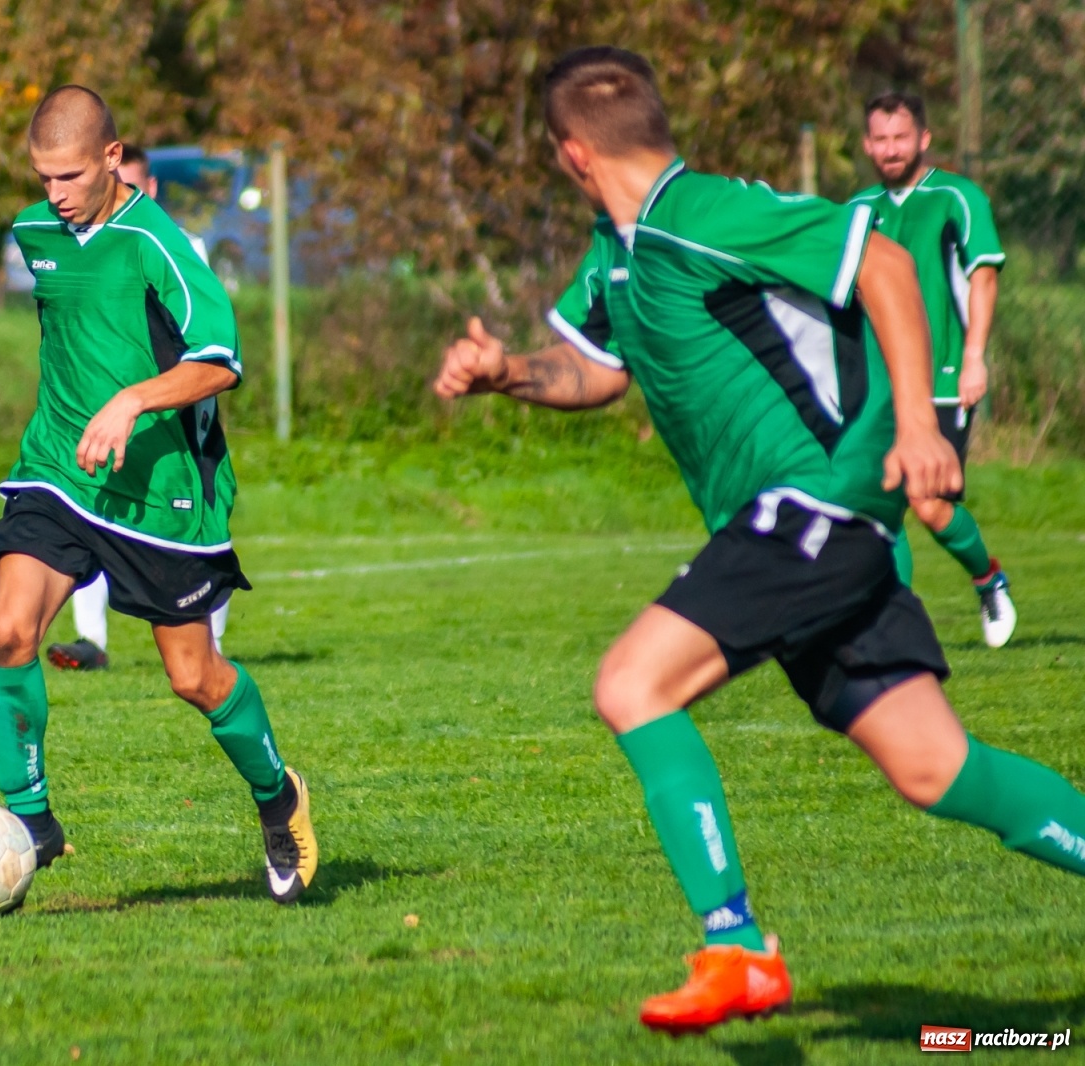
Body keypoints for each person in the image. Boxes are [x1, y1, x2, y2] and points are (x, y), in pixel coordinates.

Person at [433, 46, 1085, 1034]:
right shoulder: (620, 249)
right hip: (812, 532)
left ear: (569, 152)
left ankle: (735, 946)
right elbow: (595, 369)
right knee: (935, 767)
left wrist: (916, 420)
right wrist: (505, 372)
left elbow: (885, 260)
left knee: (630, 684)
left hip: (812, 508)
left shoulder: (701, 213)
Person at [0, 86, 316, 903]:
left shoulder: (158, 244)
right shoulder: (34, 233)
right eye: (39, 176)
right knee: (8, 629)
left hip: (161, 490)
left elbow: (221, 360)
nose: (53, 193)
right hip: (60, 467)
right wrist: (86, 411)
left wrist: (131, 400)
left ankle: (279, 798)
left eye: (68, 175)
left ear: (110, 156)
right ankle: (33, 823)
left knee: (194, 677)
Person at [46, 143, 230, 671]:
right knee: (87, 505)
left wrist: (149, 394)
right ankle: (92, 643)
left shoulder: (177, 245)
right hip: (104, 419)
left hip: (176, 425)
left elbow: (210, 346)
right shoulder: (72, 240)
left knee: (198, 539)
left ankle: (211, 654)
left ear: (146, 189)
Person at [851, 91, 1016, 647]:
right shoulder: (858, 210)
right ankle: (892, 623)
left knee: (928, 503)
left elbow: (984, 278)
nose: (890, 149)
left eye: (901, 137)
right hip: (878, 381)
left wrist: (974, 357)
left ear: (923, 139)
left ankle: (988, 578)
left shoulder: (956, 197)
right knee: (880, 503)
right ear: (867, 144)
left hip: (943, 375)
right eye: (880, 138)